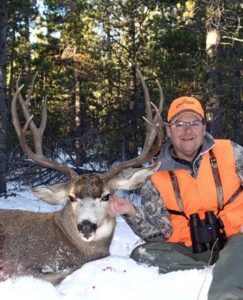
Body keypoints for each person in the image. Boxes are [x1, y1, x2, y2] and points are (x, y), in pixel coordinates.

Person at [108, 96, 243, 300]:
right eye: (179, 124)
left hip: (236, 239)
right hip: (190, 250)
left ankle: (228, 291)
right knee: (143, 254)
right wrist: (131, 211)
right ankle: (220, 270)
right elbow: (159, 234)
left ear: (204, 127)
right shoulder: (155, 175)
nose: (187, 131)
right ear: (169, 130)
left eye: (194, 123)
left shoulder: (230, 152)